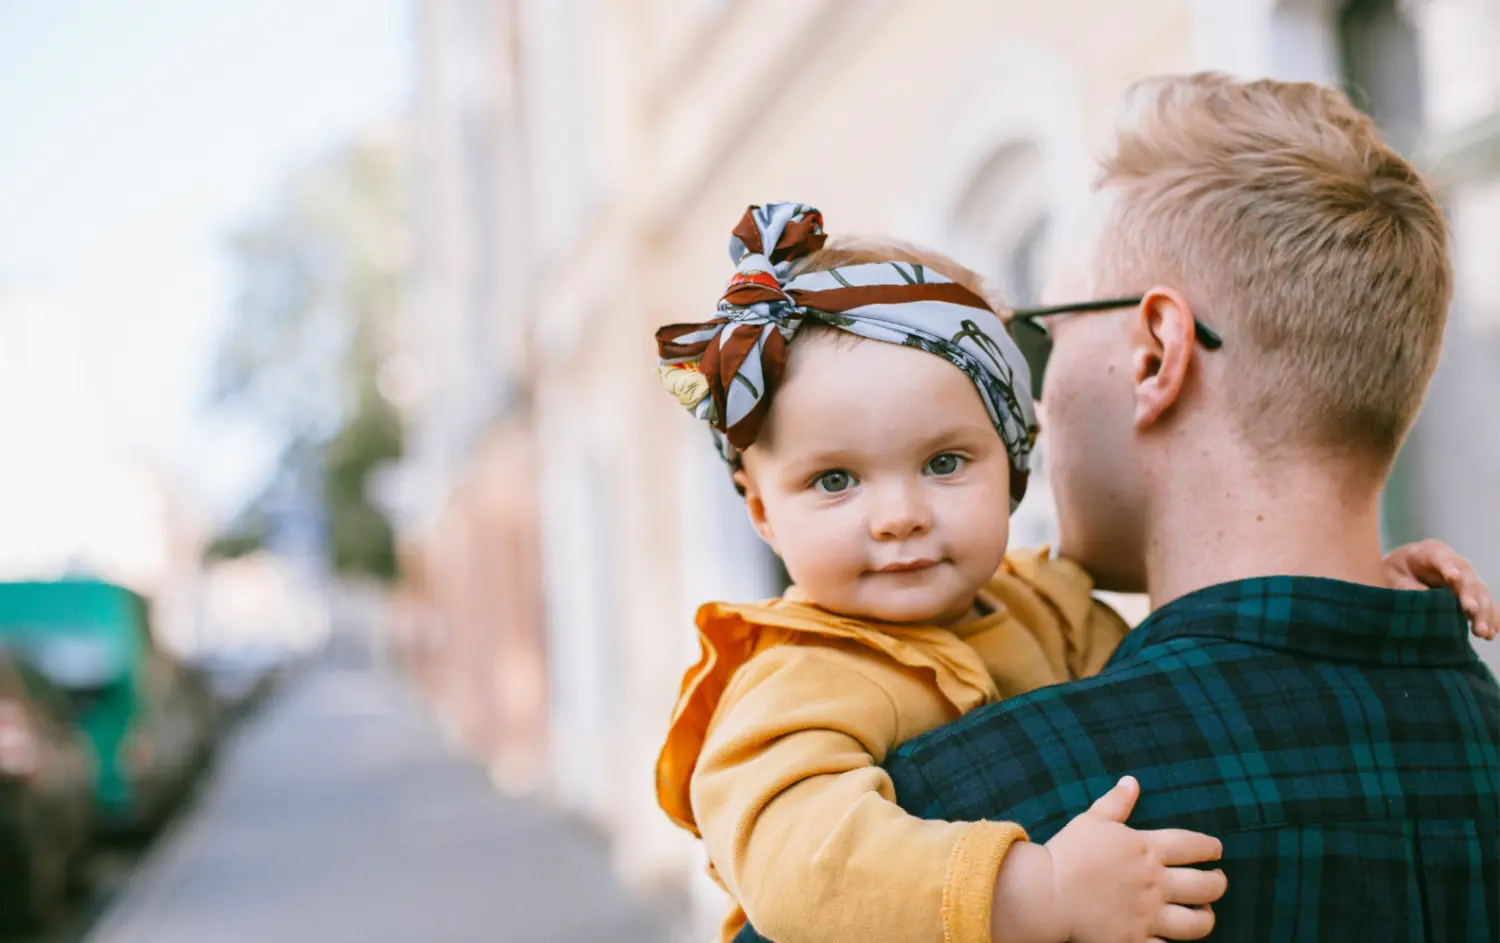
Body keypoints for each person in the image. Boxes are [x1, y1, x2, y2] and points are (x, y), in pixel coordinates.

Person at [727, 73, 1500, 943]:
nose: (1040, 406)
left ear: (1154, 355)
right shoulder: (1477, 733)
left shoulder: (962, 820)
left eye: (1045, 337)